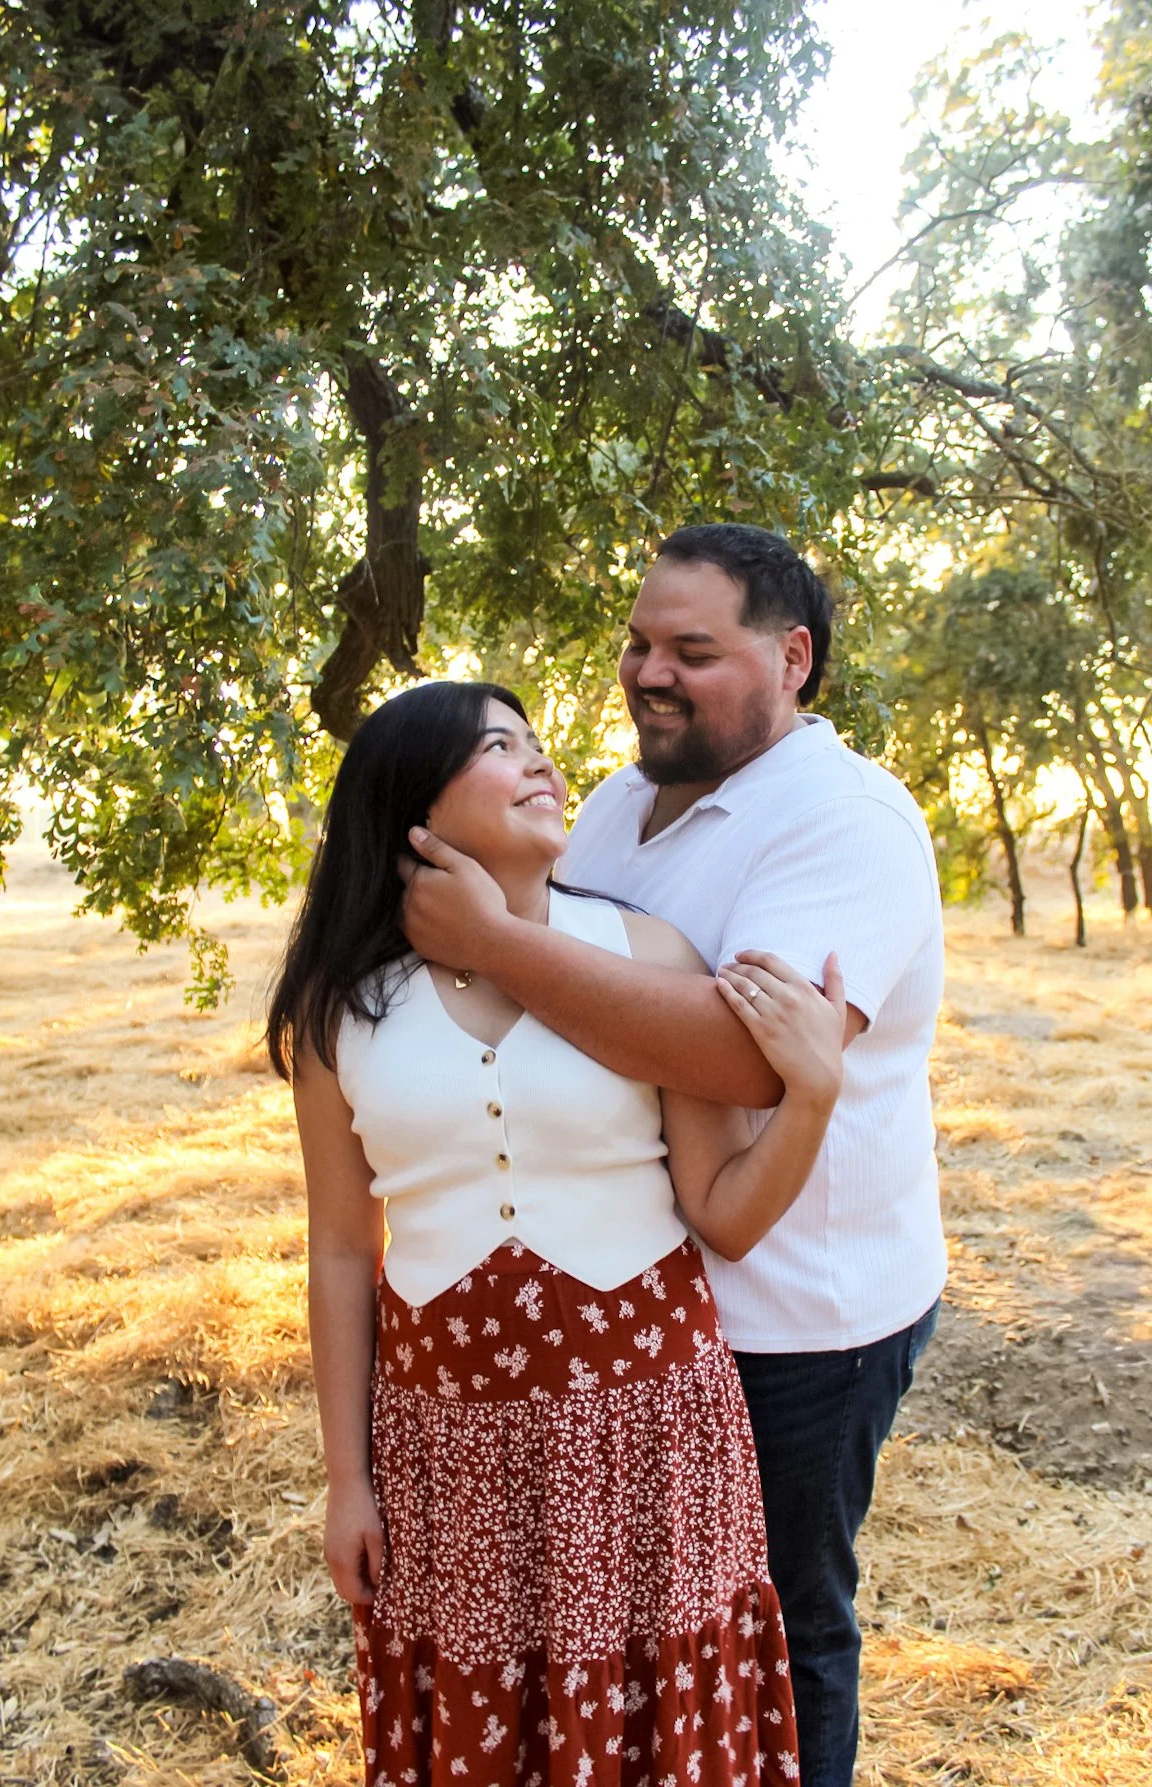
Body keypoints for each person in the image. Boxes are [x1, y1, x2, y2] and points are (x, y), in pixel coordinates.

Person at [401, 525, 946, 1787]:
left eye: (691, 650)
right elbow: (572, 975)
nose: (649, 670)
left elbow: (743, 1057)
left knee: (776, 1620)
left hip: (796, 1311)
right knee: (654, 1634)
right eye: (639, 641)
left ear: (791, 657)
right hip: (638, 1316)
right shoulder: (609, 803)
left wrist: (494, 943)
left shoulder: (845, 820)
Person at [267, 677, 851, 1786]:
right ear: (415, 807)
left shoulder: (649, 954)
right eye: (500, 745)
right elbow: (344, 1248)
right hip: (449, 1448)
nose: (541, 760)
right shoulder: (343, 1008)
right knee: (489, 1728)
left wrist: (811, 1098)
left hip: (649, 1432)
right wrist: (348, 1477)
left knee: (658, 1723)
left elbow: (724, 1211)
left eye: (539, 742)